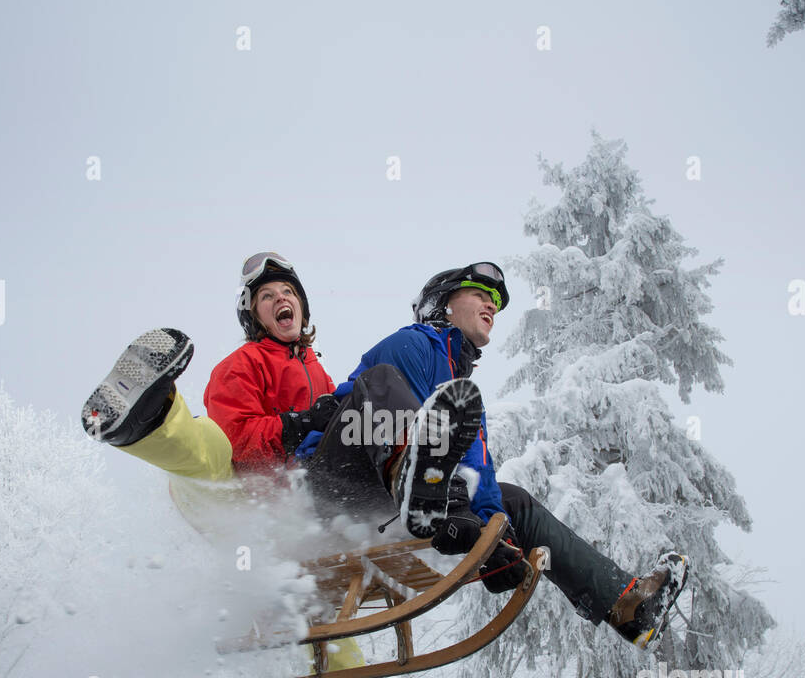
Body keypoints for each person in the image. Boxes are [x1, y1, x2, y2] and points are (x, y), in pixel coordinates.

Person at [80, 252, 414, 678]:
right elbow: (239, 443)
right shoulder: (242, 365)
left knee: (318, 602)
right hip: (233, 499)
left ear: (302, 308)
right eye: (267, 297)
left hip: (290, 523)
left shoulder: (322, 375)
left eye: (289, 294)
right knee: (211, 450)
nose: (282, 301)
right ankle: (143, 423)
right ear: (253, 316)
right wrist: (297, 424)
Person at [296, 262, 690, 648]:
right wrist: (449, 501)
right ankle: (412, 477)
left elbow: (477, 479)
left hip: (387, 514)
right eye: (480, 295)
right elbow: (366, 407)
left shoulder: (462, 397)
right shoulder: (412, 343)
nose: (491, 307)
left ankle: (627, 606)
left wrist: (492, 538)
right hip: (335, 485)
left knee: (510, 501)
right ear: (443, 304)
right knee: (382, 384)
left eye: (495, 303)